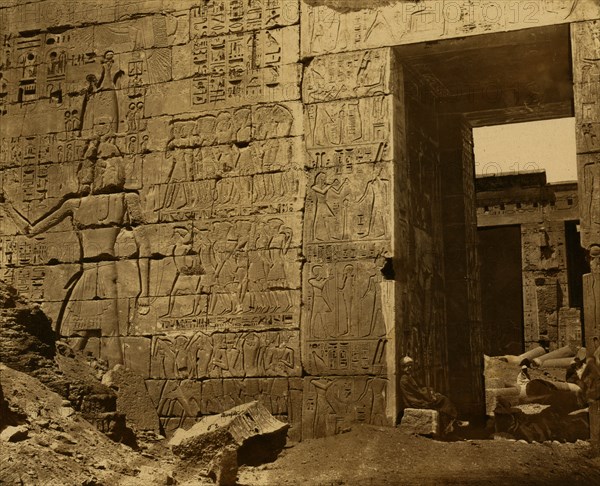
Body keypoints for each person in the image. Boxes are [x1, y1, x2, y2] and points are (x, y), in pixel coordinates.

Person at [399, 356, 468, 434]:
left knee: (441, 400)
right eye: (407, 366)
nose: (410, 367)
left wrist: (431, 391)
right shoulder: (405, 379)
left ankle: (451, 425)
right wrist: (431, 396)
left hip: (418, 400)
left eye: (411, 365)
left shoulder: (409, 377)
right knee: (443, 400)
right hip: (416, 402)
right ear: (402, 367)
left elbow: (420, 389)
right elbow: (418, 392)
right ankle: (454, 422)